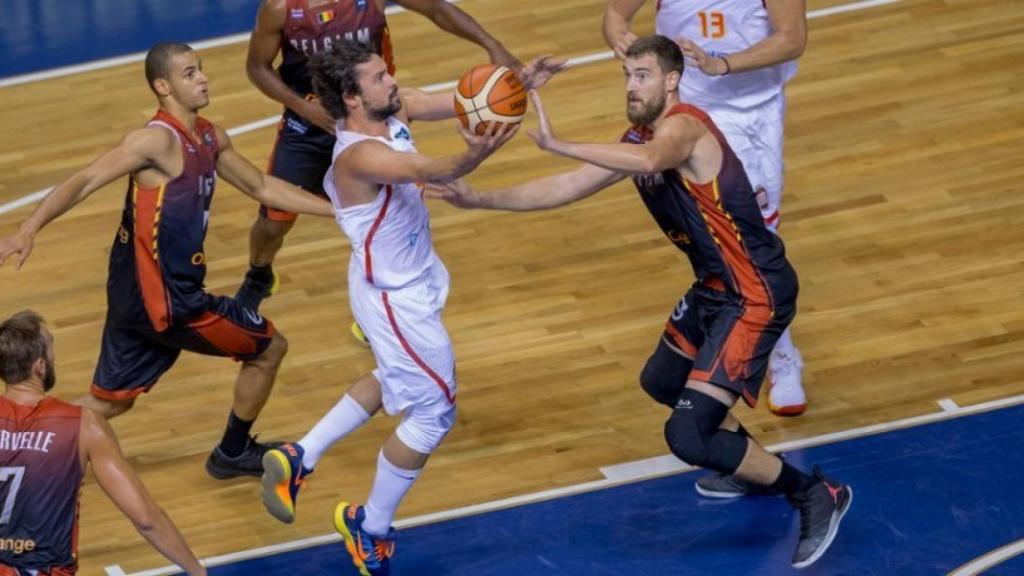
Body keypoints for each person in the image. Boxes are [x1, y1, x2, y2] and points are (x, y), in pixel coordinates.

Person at [429, 36, 851, 569]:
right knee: (661, 382)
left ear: (671, 81)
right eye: (628, 75)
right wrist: (480, 199)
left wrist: (559, 141)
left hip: (755, 294)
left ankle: (813, 492)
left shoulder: (683, 128)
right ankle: (752, 466)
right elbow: (569, 186)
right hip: (714, 288)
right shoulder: (637, 137)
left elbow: (652, 157)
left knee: (686, 434)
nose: (632, 85)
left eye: (644, 76)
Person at [257, 40, 563, 576]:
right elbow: (436, 165)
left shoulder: (394, 108)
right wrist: (478, 149)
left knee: (395, 377)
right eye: (378, 77)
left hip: (406, 279)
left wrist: (515, 83)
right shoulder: (359, 155)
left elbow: (459, 99)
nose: (391, 80)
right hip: (393, 297)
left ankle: (300, 456)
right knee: (434, 410)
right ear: (352, 98)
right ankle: (369, 526)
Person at [0, 42, 336, 480]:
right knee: (270, 348)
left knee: (112, 402)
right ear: (163, 86)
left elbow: (263, 188)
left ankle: (13, 438)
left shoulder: (211, 137)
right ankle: (232, 452)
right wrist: (29, 229)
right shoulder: (155, 141)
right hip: (169, 302)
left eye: (201, 70)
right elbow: (84, 180)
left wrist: (338, 210)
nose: (202, 78)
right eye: (189, 73)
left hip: (132, 294)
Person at [236, 0, 522, 351]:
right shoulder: (281, 8)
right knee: (273, 222)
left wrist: (491, 43)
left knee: (384, 221)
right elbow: (257, 68)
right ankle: (259, 273)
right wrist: (306, 109)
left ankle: (376, 315)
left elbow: (437, 9)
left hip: (372, 119)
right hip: (309, 124)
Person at [603, 0, 809, 420]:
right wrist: (620, 36)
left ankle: (780, 354)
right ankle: (722, 324)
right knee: (704, 235)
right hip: (685, 114)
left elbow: (792, 39)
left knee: (755, 238)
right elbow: (614, 15)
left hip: (752, 114)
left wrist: (721, 64)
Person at [0, 310, 206, 576]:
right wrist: (197, 571)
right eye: (51, 349)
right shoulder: (85, 425)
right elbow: (146, 519)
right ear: (39, 366)